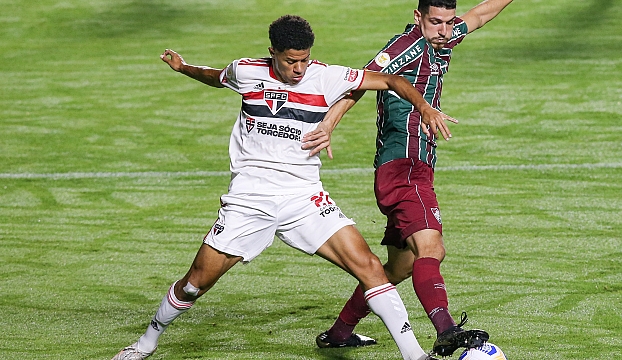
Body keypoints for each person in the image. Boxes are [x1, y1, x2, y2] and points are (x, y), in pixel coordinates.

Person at [112, 14, 456, 360]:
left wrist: (424, 107)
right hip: (250, 198)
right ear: (273, 52)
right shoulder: (246, 71)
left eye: (304, 59)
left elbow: (390, 80)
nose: (299, 68)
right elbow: (215, 77)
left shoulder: (326, 75)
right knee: (194, 284)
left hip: (304, 196)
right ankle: (146, 342)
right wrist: (183, 67)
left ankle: (416, 356)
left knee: (368, 266)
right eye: (291, 60)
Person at [302, 0, 514, 357]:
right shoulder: (404, 48)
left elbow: (479, 15)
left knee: (400, 266)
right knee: (432, 249)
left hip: (412, 169)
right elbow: (358, 83)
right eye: (435, 22)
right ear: (418, 18)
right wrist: (328, 124)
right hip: (404, 168)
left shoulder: (442, 38)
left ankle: (339, 333)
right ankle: (446, 329)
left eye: (448, 22)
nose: (444, 30)